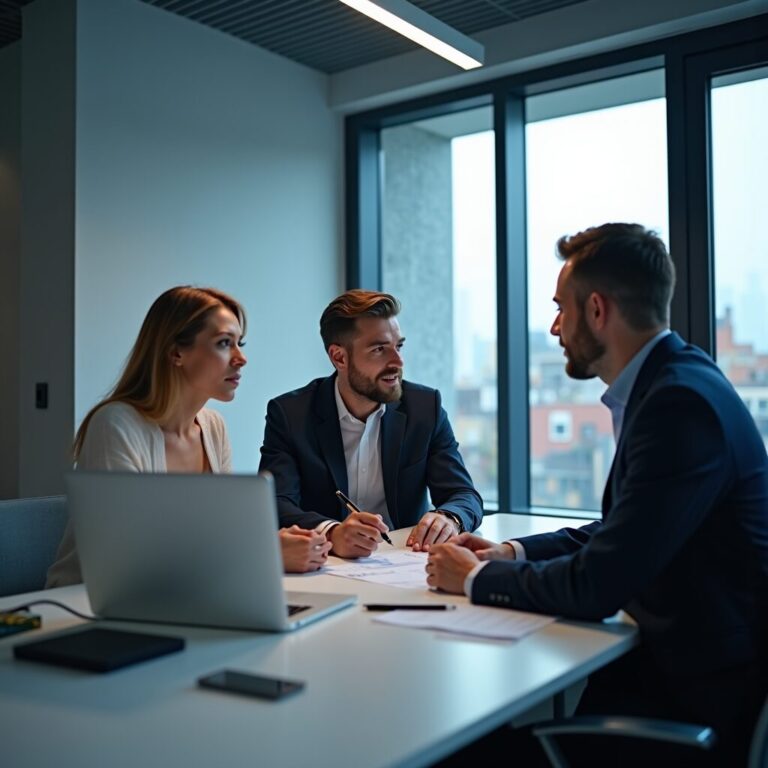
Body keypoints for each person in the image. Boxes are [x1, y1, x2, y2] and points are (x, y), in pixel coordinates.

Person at [427, 223, 768, 764]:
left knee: (456, 748)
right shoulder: (676, 381)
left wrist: (474, 578)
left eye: (562, 307)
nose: (555, 326)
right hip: (668, 673)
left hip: (693, 700)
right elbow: (623, 530)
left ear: (597, 311)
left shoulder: (678, 406)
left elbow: (598, 586)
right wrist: (511, 552)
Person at [46, 286, 330, 587]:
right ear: (176, 353)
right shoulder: (116, 425)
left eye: (239, 344)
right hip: (86, 606)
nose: (241, 358)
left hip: (182, 594)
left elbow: (216, 536)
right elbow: (129, 556)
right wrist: (265, 552)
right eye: (224, 343)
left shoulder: (212, 427)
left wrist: (274, 540)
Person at [258, 289, 483, 559]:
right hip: (326, 565)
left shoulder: (425, 407)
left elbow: (463, 493)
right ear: (339, 357)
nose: (397, 362)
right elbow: (275, 502)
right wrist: (331, 531)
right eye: (379, 349)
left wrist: (449, 518)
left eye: (398, 346)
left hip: (406, 562)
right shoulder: (290, 414)